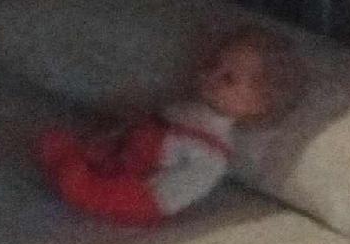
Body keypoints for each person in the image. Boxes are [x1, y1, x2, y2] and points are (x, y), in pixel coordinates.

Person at [34, 21, 305, 227]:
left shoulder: (211, 155)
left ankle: (84, 186)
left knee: (84, 182)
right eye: (215, 64)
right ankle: (79, 167)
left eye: (228, 78)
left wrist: (124, 195)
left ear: (256, 105)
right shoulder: (187, 111)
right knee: (63, 144)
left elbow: (167, 196)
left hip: (140, 194)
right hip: (122, 159)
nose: (212, 74)